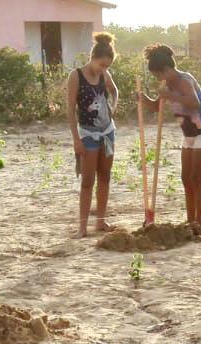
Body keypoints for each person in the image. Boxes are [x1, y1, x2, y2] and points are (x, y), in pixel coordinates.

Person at [141, 44, 201, 238]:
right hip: (189, 136)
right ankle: (190, 219)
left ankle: (198, 225)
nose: (158, 79)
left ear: (166, 69)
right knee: (186, 179)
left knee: (196, 178)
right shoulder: (167, 86)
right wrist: (142, 98)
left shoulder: (185, 80)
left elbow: (195, 103)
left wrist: (171, 95)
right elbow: (156, 107)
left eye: (159, 75)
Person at [66, 32, 118, 238]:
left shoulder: (105, 75)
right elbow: (70, 110)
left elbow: (114, 91)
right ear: (92, 58)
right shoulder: (76, 76)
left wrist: (113, 106)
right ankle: (82, 227)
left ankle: (100, 221)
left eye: (107, 66)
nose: (104, 70)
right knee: (87, 181)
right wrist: (76, 139)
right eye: (102, 65)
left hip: (107, 132)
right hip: (87, 133)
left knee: (105, 176)